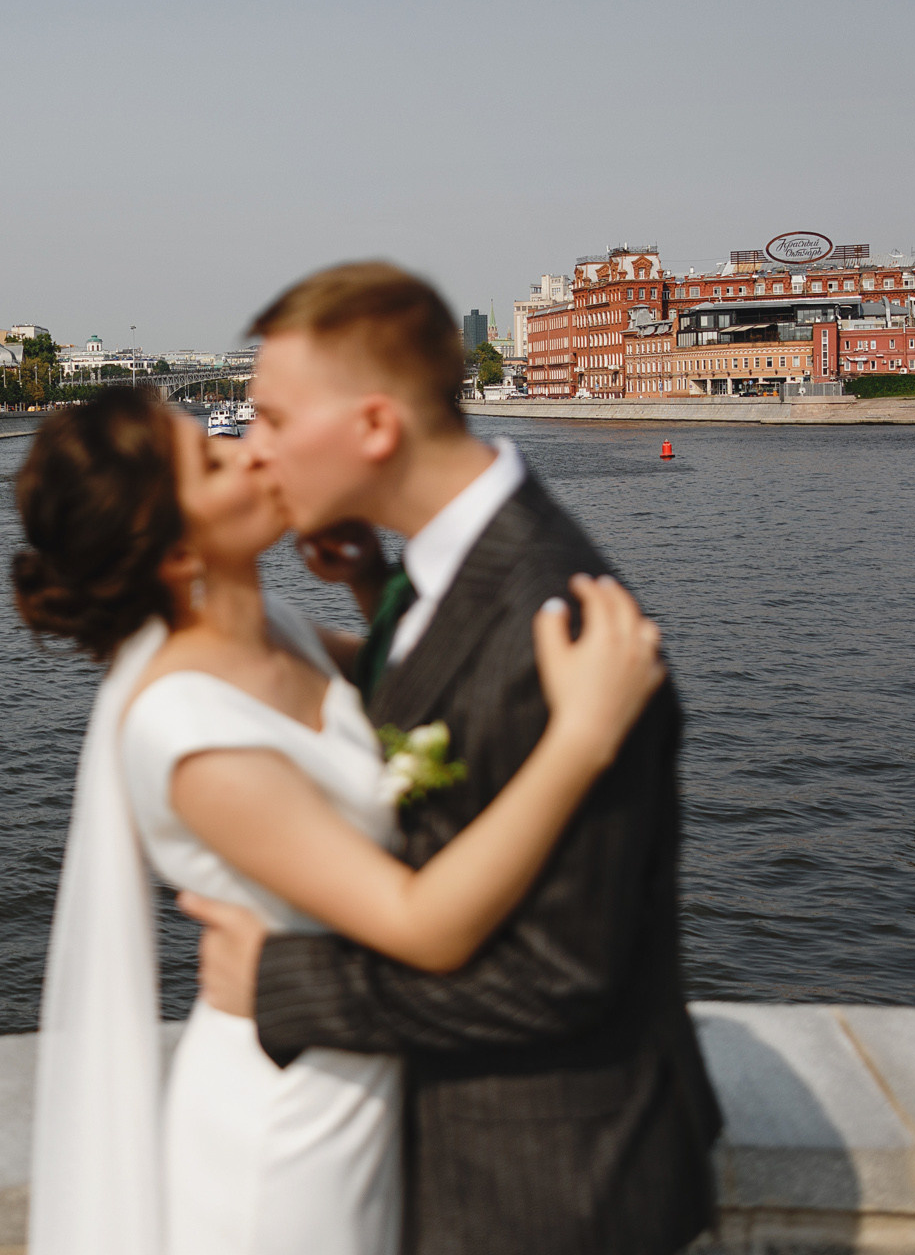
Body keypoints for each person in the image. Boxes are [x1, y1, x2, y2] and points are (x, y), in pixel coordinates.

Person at [15, 384, 667, 1255]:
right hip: (285, 1134)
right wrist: (584, 736)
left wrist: (367, 579)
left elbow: (409, 691)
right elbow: (419, 923)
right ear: (174, 552)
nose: (248, 449)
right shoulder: (188, 729)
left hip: (354, 1070)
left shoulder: (272, 624)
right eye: (212, 461)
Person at [190, 261, 719, 1255]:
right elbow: (443, 706)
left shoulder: (552, 620)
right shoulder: (447, 565)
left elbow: (562, 972)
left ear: (375, 428)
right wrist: (370, 594)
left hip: (555, 1191)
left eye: (269, 417)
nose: (252, 450)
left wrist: (282, 982)